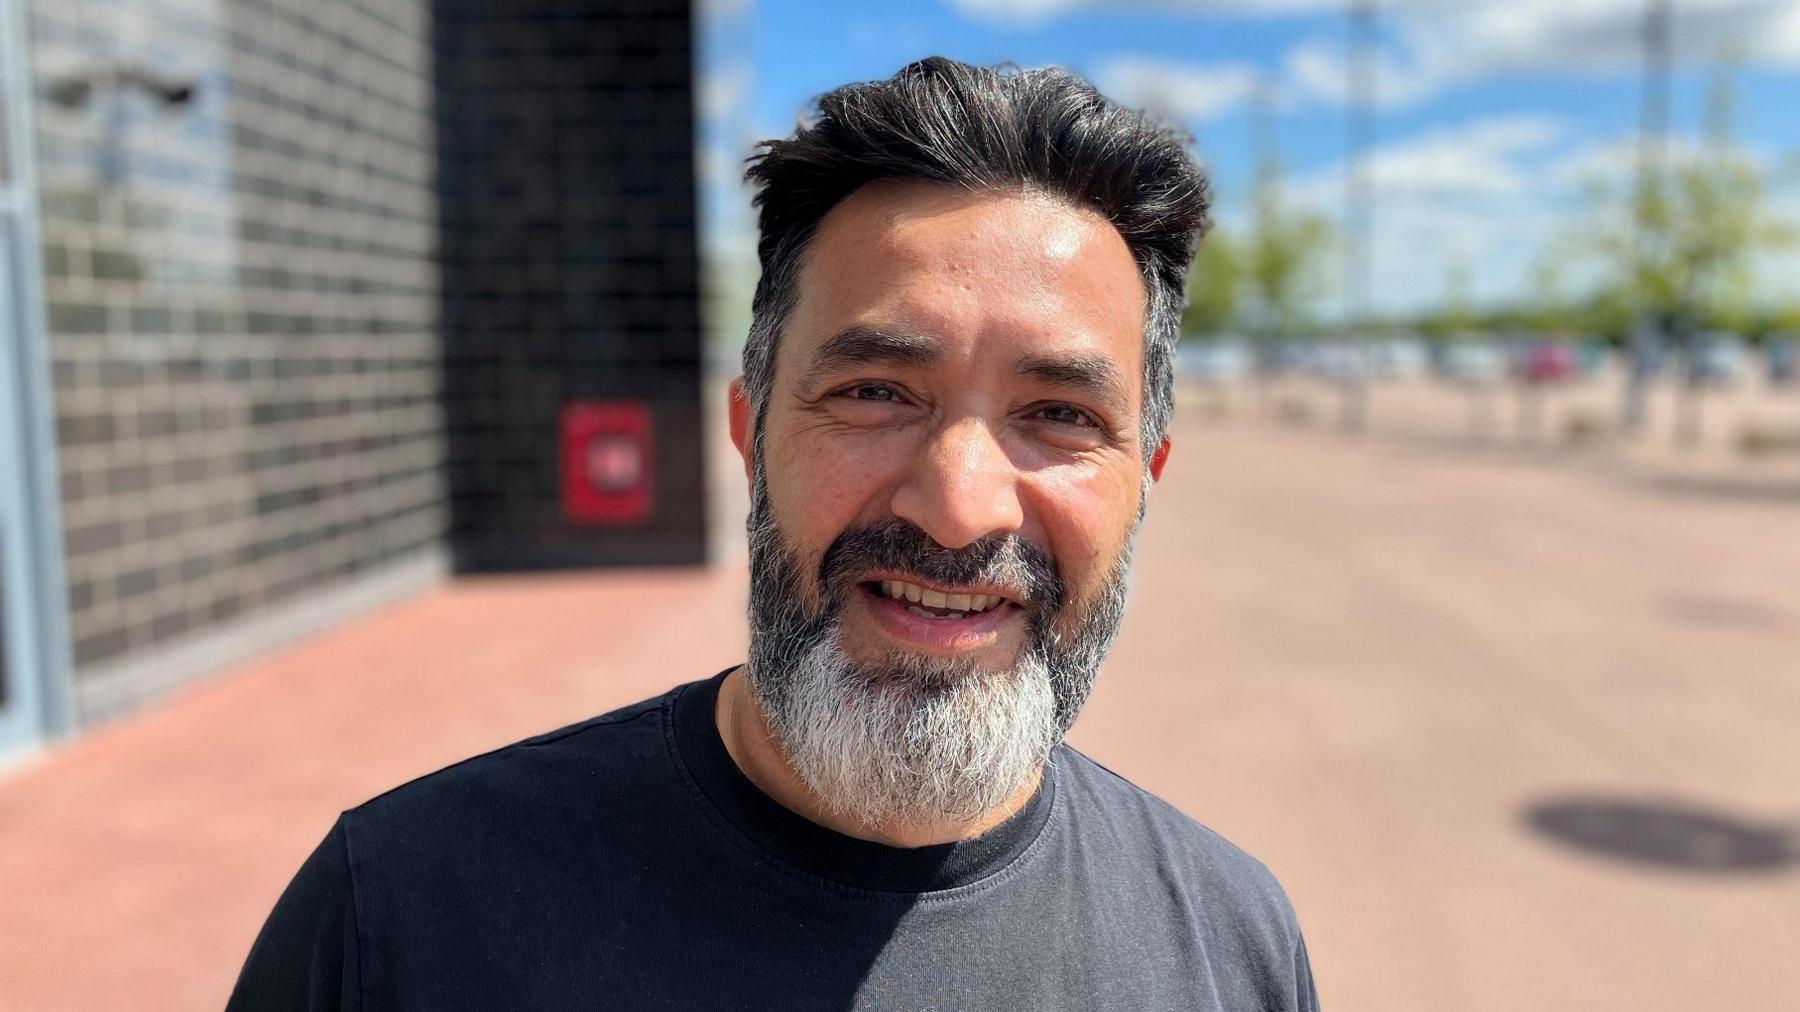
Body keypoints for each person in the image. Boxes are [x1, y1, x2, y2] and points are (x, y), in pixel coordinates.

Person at [229, 56, 1319, 1011]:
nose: (961, 504)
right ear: (750, 430)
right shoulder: (408, 918)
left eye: (1061, 416)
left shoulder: (1231, 946)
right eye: (878, 391)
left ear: (1145, 478)